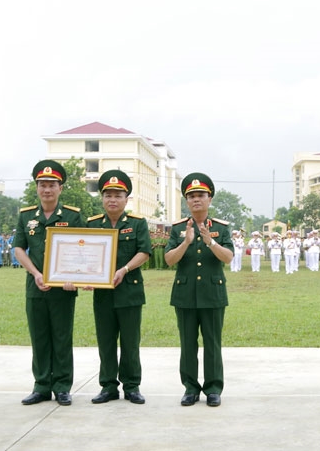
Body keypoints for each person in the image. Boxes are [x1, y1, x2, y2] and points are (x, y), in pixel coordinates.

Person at [13, 160, 84, 406]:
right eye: (42, 185)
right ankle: (41, 386)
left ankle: (62, 386)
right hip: (36, 286)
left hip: (64, 288)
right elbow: (19, 248)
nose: (47, 189)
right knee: (39, 337)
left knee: (62, 337)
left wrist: (74, 277)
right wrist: (35, 273)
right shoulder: (26, 216)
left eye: (52, 185)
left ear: (60, 188)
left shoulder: (72, 216)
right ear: (37, 188)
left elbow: (82, 249)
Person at [165, 172, 233, 407]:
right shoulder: (178, 229)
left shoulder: (221, 228)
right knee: (187, 344)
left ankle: (213, 389)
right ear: (186, 201)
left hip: (212, 294)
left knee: (212, 343)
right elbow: (169, 260)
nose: (196, 199)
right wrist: (186, 242)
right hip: (185, 295)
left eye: (201, 195)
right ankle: (190, 388)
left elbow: (228, 257)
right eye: (191, 196)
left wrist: (210, 242)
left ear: (209, 199)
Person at [86, 170, 152, 405]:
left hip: (130, 292)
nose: (112, 200)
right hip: (103, 294)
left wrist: (124, 269)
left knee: (130, 342)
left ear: (126, 199)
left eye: (118, 195)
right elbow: (84, 254)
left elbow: (144, 252)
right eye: (108, 195)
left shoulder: (137, 223)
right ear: (102, 198)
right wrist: (84, 277)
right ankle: (108, 386)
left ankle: (132, 386)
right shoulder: (93, 224)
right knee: (105, 342)